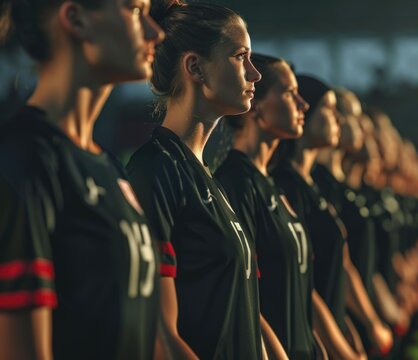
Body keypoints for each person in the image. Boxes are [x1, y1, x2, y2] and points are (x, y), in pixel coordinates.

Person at [0, 0, 164, 359]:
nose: (156, 32)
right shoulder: (23, 161)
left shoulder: (107, 166)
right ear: (75, 18)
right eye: (136, 11)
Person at [126, 1, 266, 359]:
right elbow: (159, 337)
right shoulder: (155, 170)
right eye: (240, 56)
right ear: (195, 67)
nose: (255, 74)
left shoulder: (206, 175)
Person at [215, 53, 317, 359]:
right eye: (289, 93)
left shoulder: (270, 182)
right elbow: (243, 296)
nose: (303, 104)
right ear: (256, 105)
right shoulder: (235, 182)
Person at [271, 74, 367, 360]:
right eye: (329, 109)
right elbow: (302, 287)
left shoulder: (313, 185)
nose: (339, 119)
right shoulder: (285, 185)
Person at [312, 88, 394, 357]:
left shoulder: (338, 188)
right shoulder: (316, 187)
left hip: (348, 329)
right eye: (352, 117)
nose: (362, 129)